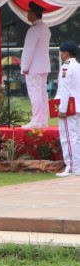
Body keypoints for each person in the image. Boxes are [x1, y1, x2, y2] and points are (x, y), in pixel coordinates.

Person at [21, 1, 51, 129]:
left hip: (34, 67)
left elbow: (29, 50)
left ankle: (37, 119)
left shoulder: (33, 29)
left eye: (29, 11)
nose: (27, 14)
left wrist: (25, 67)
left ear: (33, 13)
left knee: (35, 93)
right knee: (42, 93)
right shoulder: (45, 28)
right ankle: (43, 119)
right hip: (43, 66)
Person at [54, 41, 80, 177]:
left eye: (62, 53)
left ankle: (72, 167)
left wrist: (62, 108)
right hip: (77, 105)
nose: (61, 55)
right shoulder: (78, 66)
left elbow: (65, 89)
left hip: (69, 106)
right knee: (75, 137)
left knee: (68, 137)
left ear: (66, 53)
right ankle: (77, 165)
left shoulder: (66, 67)